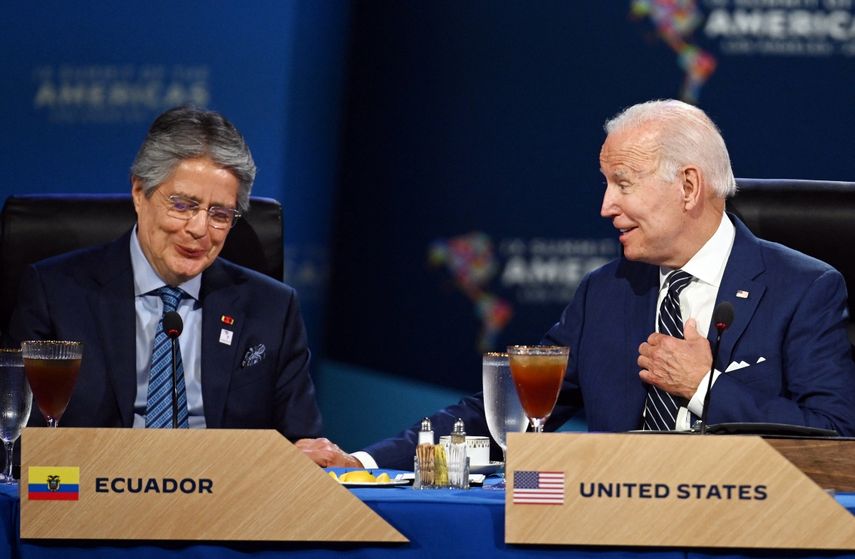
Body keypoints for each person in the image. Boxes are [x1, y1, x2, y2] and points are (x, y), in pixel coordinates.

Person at [298, 98, 855, 470]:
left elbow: (835, 437)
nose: (606, 206)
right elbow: (513, 413)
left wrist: (704, 387)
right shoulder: (605, 293)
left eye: (623, 184)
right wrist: (365, 462)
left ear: (688, 186)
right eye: (605, 184)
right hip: (611, 531)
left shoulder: (804, 290)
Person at [9, 106, 322, 439]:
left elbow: (302, 443)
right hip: (96, 470)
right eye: (183, 205)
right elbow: (21, 438)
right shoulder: (56, 295)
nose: (199, 229)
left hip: (226, 473)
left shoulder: (272, 308)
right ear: (139, 193)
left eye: (220, 214)